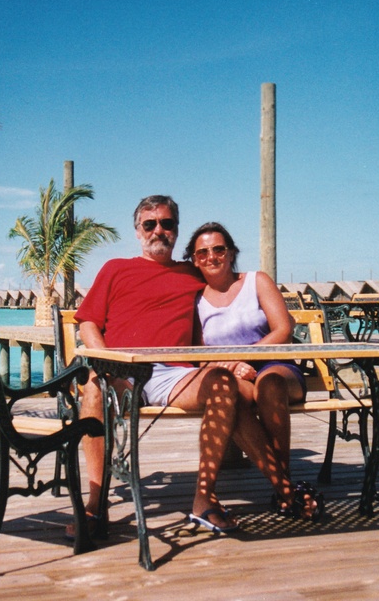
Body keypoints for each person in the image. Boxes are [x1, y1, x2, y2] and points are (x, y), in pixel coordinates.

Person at [73, 195, 242, 534]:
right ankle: (95, 504)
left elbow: (232, 289)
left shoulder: (192, 273)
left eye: (167, 223)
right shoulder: (115, 269)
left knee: (223, 383)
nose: (159, 230)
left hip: (175, 375)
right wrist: (105, 358)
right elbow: (88, 323)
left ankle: (204, 500)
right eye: (150, 224)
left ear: (177, 231)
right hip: (121, 370)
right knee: (92, 386)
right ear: (138, 232)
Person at [184, 221, 322, 520]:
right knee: (232, 396)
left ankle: (282, 486)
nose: (212, 257)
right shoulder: (194, 299)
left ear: (231, 252)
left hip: (274, 364)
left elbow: (283, 329)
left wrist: (249, 359)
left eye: (218, 249)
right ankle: (287, 490)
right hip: (229, 373)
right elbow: (198, 351)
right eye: (203, 252)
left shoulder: (256, 281)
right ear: (194, 260)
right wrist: (232, 366)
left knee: (270, 385)